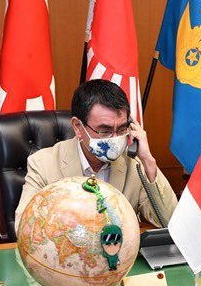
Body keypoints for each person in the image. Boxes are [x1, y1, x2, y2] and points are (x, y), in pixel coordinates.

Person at [14, 79, 177, 231]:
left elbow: (170, 222)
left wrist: (148, 161)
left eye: (122, 129)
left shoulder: (135, 165)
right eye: (105, 130)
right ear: (78, 127)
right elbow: (23, 226)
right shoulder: (43, 163)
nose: (115, 139)